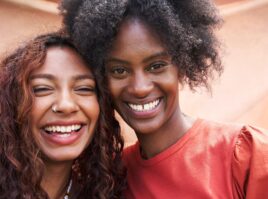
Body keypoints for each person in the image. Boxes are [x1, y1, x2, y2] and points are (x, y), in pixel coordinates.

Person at [61, 0, 268, 198]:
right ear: (101, 78)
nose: (140, 88)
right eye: (119, 70)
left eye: (156, 66)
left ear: (183, 63)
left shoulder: (246, 155)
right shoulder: (109, 180)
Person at [0, 32, 125, 199]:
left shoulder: (103, 193)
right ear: (11, 102)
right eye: (42, 89)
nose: (66, 105)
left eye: (83, 88)